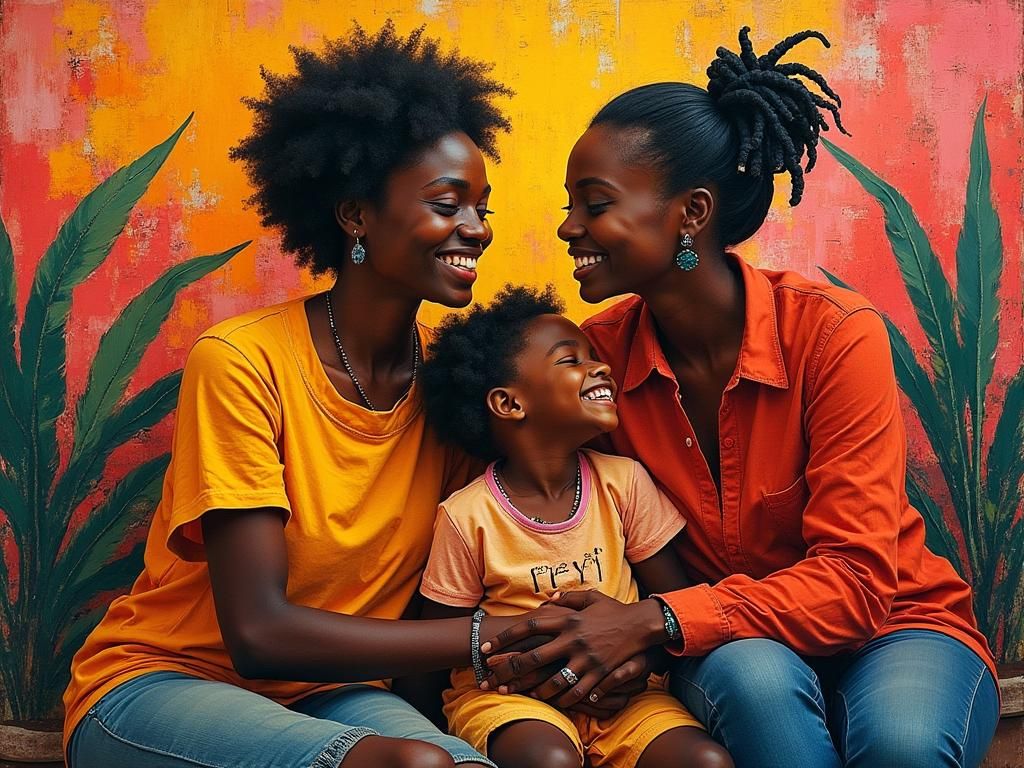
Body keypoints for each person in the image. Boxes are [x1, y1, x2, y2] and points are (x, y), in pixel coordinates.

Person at [479, 26, 1000, 768]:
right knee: (753, 683)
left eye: (594, 204)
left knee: (903, 744)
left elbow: (855, 583)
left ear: (690, 213)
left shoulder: (833, 336)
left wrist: (654, 620)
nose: (569, 227)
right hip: (732, 645)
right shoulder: (595, 359)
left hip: (894, 623)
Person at [63, 21, 531, 768]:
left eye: (483, 209)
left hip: (327, 693)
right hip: (158, 687)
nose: (474, 230)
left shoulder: (451, 393)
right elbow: (258, 634)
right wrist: (490, 635)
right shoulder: (243, 362)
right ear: (354, 215)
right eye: (448, 204)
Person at [418, 285, 733, 768]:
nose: (600, 367)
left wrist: (635, 666)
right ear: (509, 403)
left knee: (704, 760)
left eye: (593, 357)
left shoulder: (622, 482)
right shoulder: (467, 516)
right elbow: (440, 641)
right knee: (548, 760)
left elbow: (674, 602)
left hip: (626, 693)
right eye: (571, 361)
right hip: (513, 700)